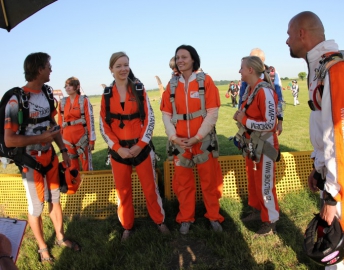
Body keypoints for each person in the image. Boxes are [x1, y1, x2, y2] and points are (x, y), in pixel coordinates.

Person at [287, 12, 344, 268]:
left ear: (302, 33)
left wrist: (333, 197)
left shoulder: (337, 71)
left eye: (289, 35)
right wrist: (318, 168)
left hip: (343, 184)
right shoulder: (322, 69)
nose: (286, 41)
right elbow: (325, 131)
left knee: (340, 246)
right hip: (333, 179)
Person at [4, 52, 81, 263]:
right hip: (31, 162)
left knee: (55, 200)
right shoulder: (16, 100)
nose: (51, 69)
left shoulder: (47, 94)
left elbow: (53, 128)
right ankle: (42, 247)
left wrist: (63, 150)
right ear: (39, 69)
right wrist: (40, 137)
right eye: (48, 66)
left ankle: (60, 237)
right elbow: (9, 140)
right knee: (36, 207)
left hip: (51, 158)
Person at [100, 52, 169, 241]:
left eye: (126, 65)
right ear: (111, 69)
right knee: (123, 192)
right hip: (118, 153)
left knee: (150, 188)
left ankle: (160, 221)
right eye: (119, 66)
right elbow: (103, 126)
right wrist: (117, 147)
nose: (123, 69)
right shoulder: (106, 95)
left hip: (142, 150)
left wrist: (140, 145)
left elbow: (149, 119)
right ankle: (127, 227)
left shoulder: (139, 89)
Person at [160, 45, 224, 235]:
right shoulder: (172, 85)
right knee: (183, 184)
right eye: (177, 57)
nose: (180, 60)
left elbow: (212, 112)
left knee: (209, 183)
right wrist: (173, 137)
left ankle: (213, 216)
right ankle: (185, 218)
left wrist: (198, 137)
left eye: (184, 57)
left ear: (193, 59)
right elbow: (165, 113)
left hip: (202, 143)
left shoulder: (206, 81)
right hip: (180, 144)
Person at [233, 56, 279, 236]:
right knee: (254, 181)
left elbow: (270, 124)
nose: (239, 71)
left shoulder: (264, 91)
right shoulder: (251, 90)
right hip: (252, 144)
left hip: (264, 144)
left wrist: (243, 119)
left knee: (264, 183)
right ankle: (258, 210)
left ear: (250, 70)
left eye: (241, 68)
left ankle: (271, 220)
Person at [238, 48, 284, 135]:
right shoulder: (247, 82)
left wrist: (280, 122)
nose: (249, 60)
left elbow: (279, 100)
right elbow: (242, 99)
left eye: (253, 58)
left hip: (263, 134)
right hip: (250, 129)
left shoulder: (272, 76)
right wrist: (240, 116)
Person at [58, 77, 96, 171]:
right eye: (66, 86)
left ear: (77, 86)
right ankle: (75, 185)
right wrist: (60, 142)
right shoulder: (62, 102)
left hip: (81, 139)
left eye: (70, 85)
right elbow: (60, 122)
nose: (67, 88)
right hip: (67, 140)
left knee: (86, 165)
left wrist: (91, 141)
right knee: (72, 168)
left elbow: (89, 120)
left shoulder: (84, 101)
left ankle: (89, 184)